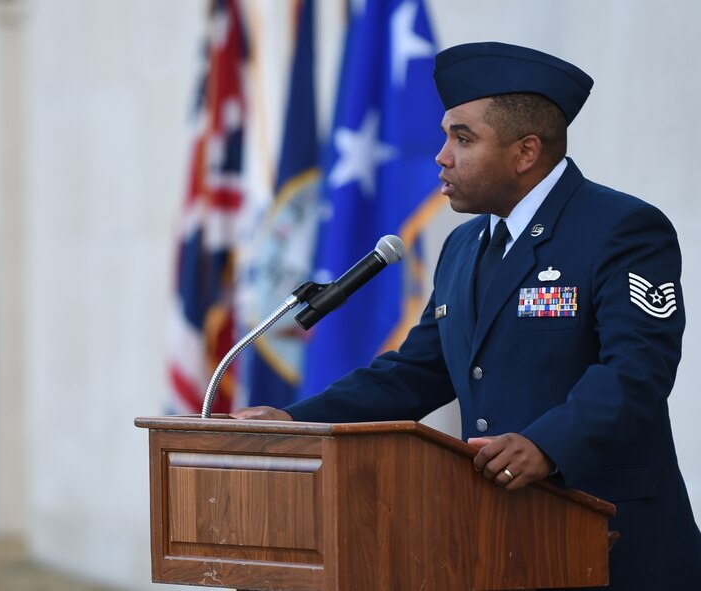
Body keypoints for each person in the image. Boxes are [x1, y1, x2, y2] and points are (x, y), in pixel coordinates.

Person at [231, 42, 701, 588]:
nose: (442, 156)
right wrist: (297, 421)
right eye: (445, 136)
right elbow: (417, 371)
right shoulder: (464, 246)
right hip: (497, 537)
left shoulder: (621, 229)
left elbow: (638, 370)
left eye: (463, 138)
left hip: (613, 536)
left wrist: (548, 444)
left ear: (526, 152)